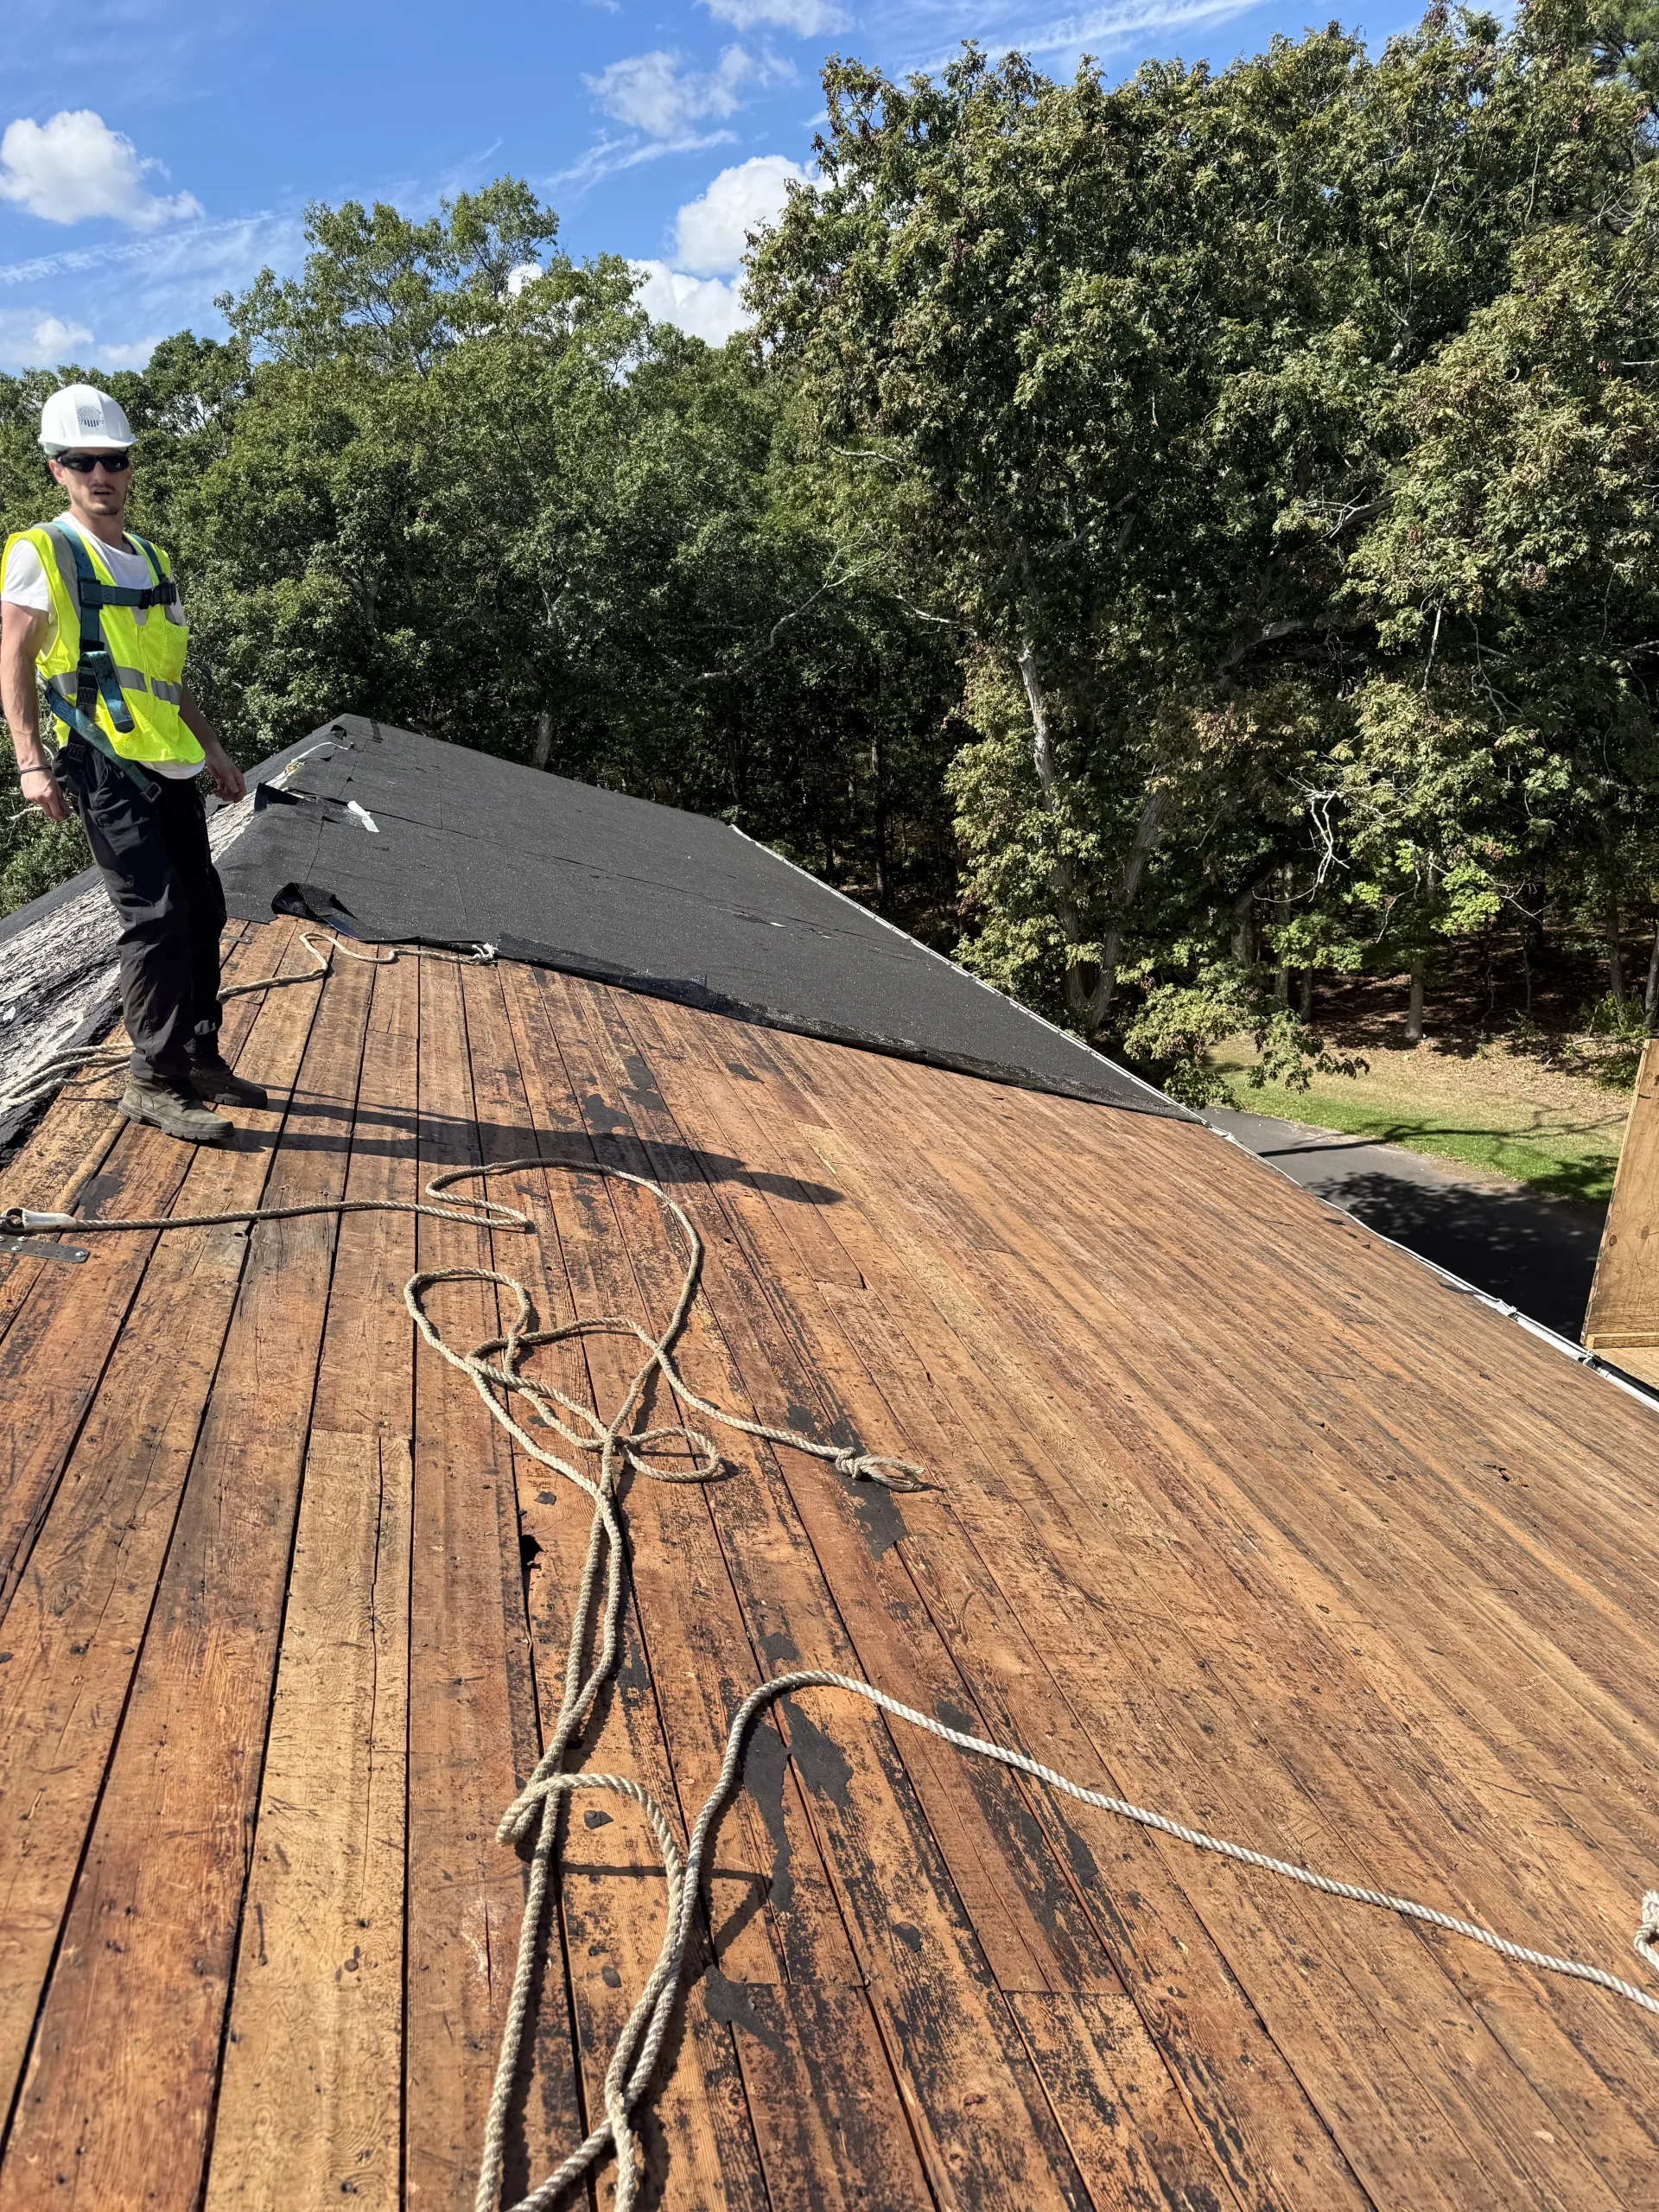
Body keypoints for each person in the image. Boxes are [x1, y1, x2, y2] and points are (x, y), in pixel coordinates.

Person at [1, 382, 265, 1143]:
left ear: (128, 465)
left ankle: (199, 1055)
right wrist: (30, 760)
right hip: (100, 758)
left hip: (172, 761)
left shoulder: (150, 557)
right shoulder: (41, 550)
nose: (99, 474)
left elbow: (166, 677)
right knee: (154, 918)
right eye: (80, 461)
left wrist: (213, 749)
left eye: (112, 459)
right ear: (57, 470)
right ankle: (152, 1080)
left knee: (205, 911)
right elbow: (12, 658)